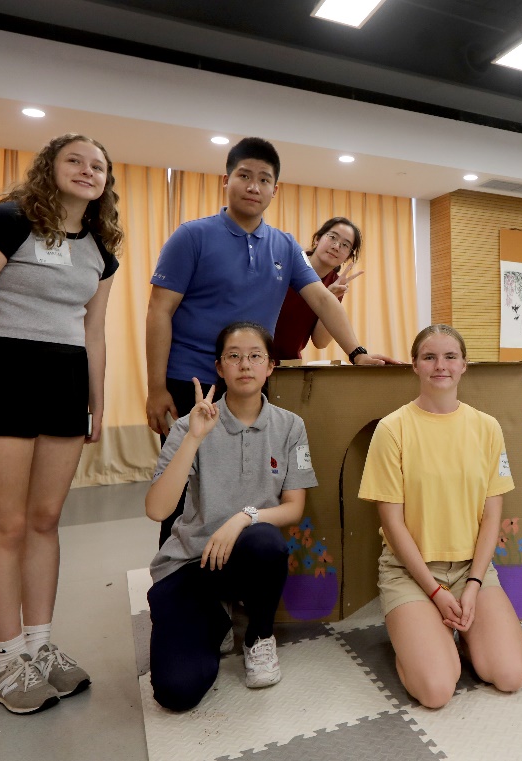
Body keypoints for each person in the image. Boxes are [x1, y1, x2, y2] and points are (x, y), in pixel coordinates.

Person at [0, 133, 121, 714]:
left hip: (64, 382)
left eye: (98, 166)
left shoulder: (100, 248)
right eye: (75, 160)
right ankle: (6, 660)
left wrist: (97, 406)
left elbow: (93, 334)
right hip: (0, 376)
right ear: (50, 167)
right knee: (7, 526)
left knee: (45, 520)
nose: (87, 171)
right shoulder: (5, 221)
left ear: (105, 184)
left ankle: (40, 649)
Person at [145, 138, 393, 546]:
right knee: (185, 491)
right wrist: (156, 388)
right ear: (226, 180)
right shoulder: (192, 236)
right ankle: (177, 581)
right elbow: (158, 311)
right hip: (190, 383)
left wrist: (358, 353)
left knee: (248, 486)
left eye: (264, 180)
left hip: (252, 383)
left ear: (275, 189)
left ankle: (236, 581)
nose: (254, 186)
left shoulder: (285, 247)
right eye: (244, 176)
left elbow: (322, 302)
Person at [144, 322, 316, 711]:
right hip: (191, 563)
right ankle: (216, 613)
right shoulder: (191, 424)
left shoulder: (290, 426)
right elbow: (157, 509)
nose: (245, 364)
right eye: (234, 356)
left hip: (247, 552)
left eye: (255, 356)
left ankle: (258, 637)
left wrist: (243, 518)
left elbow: (294, 507)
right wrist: (194, 438)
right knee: (177, 692)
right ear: (219, 368)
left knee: (266, 542)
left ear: (271, 366)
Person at [359, 325, 522, 707]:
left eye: (450, 356)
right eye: (429, 357)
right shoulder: (392, 429)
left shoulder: (487, 428)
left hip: (471, 570)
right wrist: (435, 592)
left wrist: (472, 584)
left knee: (509, 676)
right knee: (436, 692)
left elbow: (491, 517)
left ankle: (461, 638)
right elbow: (392, 523)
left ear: (464, 365)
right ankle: (418, 643)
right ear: (415, 365)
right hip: (411, 574)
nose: (440, 365)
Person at [274, 216, 365, 359]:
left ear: (348, 256)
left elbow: (320, 342)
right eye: (332, 237)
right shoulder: (287, 262)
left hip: (288, 362)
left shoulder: (335, 284)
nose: (336, 247)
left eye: (345, 245)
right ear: (317, 239)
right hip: (252, 352)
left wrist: (332, 297)